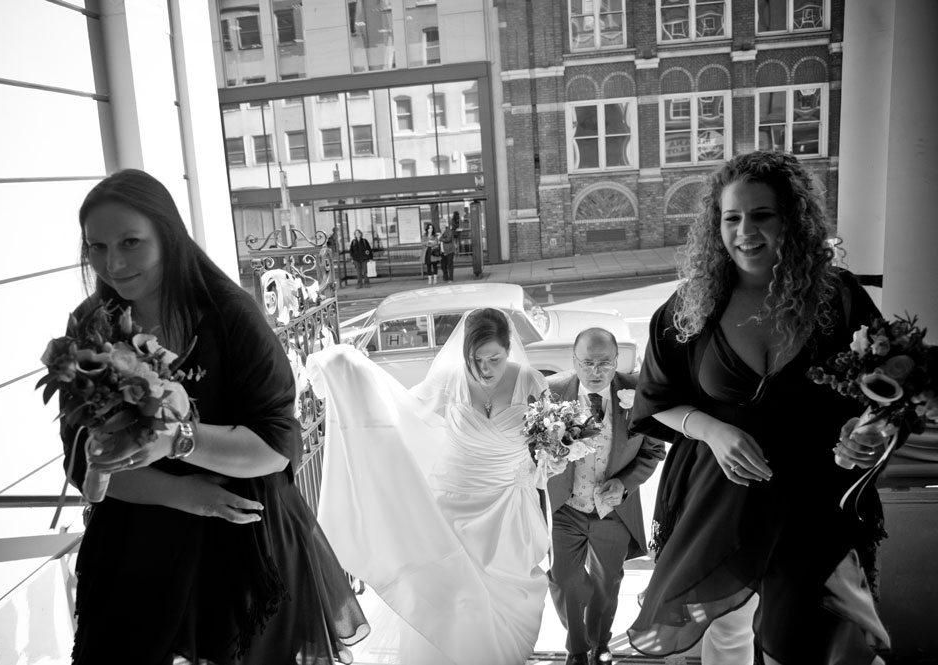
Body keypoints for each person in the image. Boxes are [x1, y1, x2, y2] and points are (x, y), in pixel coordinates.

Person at [60, 169, 368, 665]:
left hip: (241, 549)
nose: (112, 263)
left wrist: (178, 441)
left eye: (130, 242)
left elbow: (276, 445)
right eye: (96, 247)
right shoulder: (91, 326)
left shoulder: (229, 316)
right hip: (137, 553)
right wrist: (185, 494)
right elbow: (82, 460)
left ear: (168, 234)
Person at [627, 151, 891, 664]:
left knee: (802, 645)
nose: (745, 231)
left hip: (817, 500)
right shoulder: (689, 307)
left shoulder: (838, 298)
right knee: (720, 643)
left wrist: (871, 429)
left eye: (762, 214)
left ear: (791, 219)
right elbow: (656, 399)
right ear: (715, 225)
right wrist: (713, 431)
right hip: (720, 507)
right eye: (731, 218)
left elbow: (885, 388)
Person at [306, 308, 551, 665]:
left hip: (508, 513)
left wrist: (554, 458)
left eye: (494, 359)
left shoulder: (531, 383)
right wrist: (349, 372)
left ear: (509, 349)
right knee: (456, 602)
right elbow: (400, 410)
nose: (485, 369)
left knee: (508, 604)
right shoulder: (450, 380)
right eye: (476, 360)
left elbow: (545, 446)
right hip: (453, 510)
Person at [546, 328, 666, 665]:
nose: (596, 371)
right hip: (564, 507)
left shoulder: (637, 393)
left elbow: (654, 451)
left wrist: (624, 484)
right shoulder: (552, 392)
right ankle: (577, 647)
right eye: (587, 363)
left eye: (605, 363)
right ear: (574, 360)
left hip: (613, 510)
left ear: (617, 362)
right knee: (564, 580)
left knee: (608, 582)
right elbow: (533, 449)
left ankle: (598, 644)